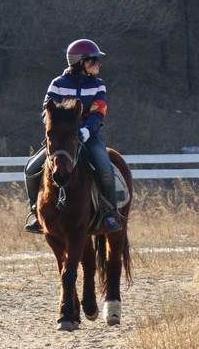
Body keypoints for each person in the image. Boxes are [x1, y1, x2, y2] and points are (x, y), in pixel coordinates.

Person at [24, 39, 124, 234]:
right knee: (30, 169)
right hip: (62, 139)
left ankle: (109, 213)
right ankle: (36, 212)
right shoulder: (57, 84)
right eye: (93, 60)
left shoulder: (98, 85)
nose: (98, 64)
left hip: (90, 136)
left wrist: (86, 131)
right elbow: (47, 112)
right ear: (80, 62)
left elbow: (98, 112)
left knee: (104, 167)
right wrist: (59, 130)